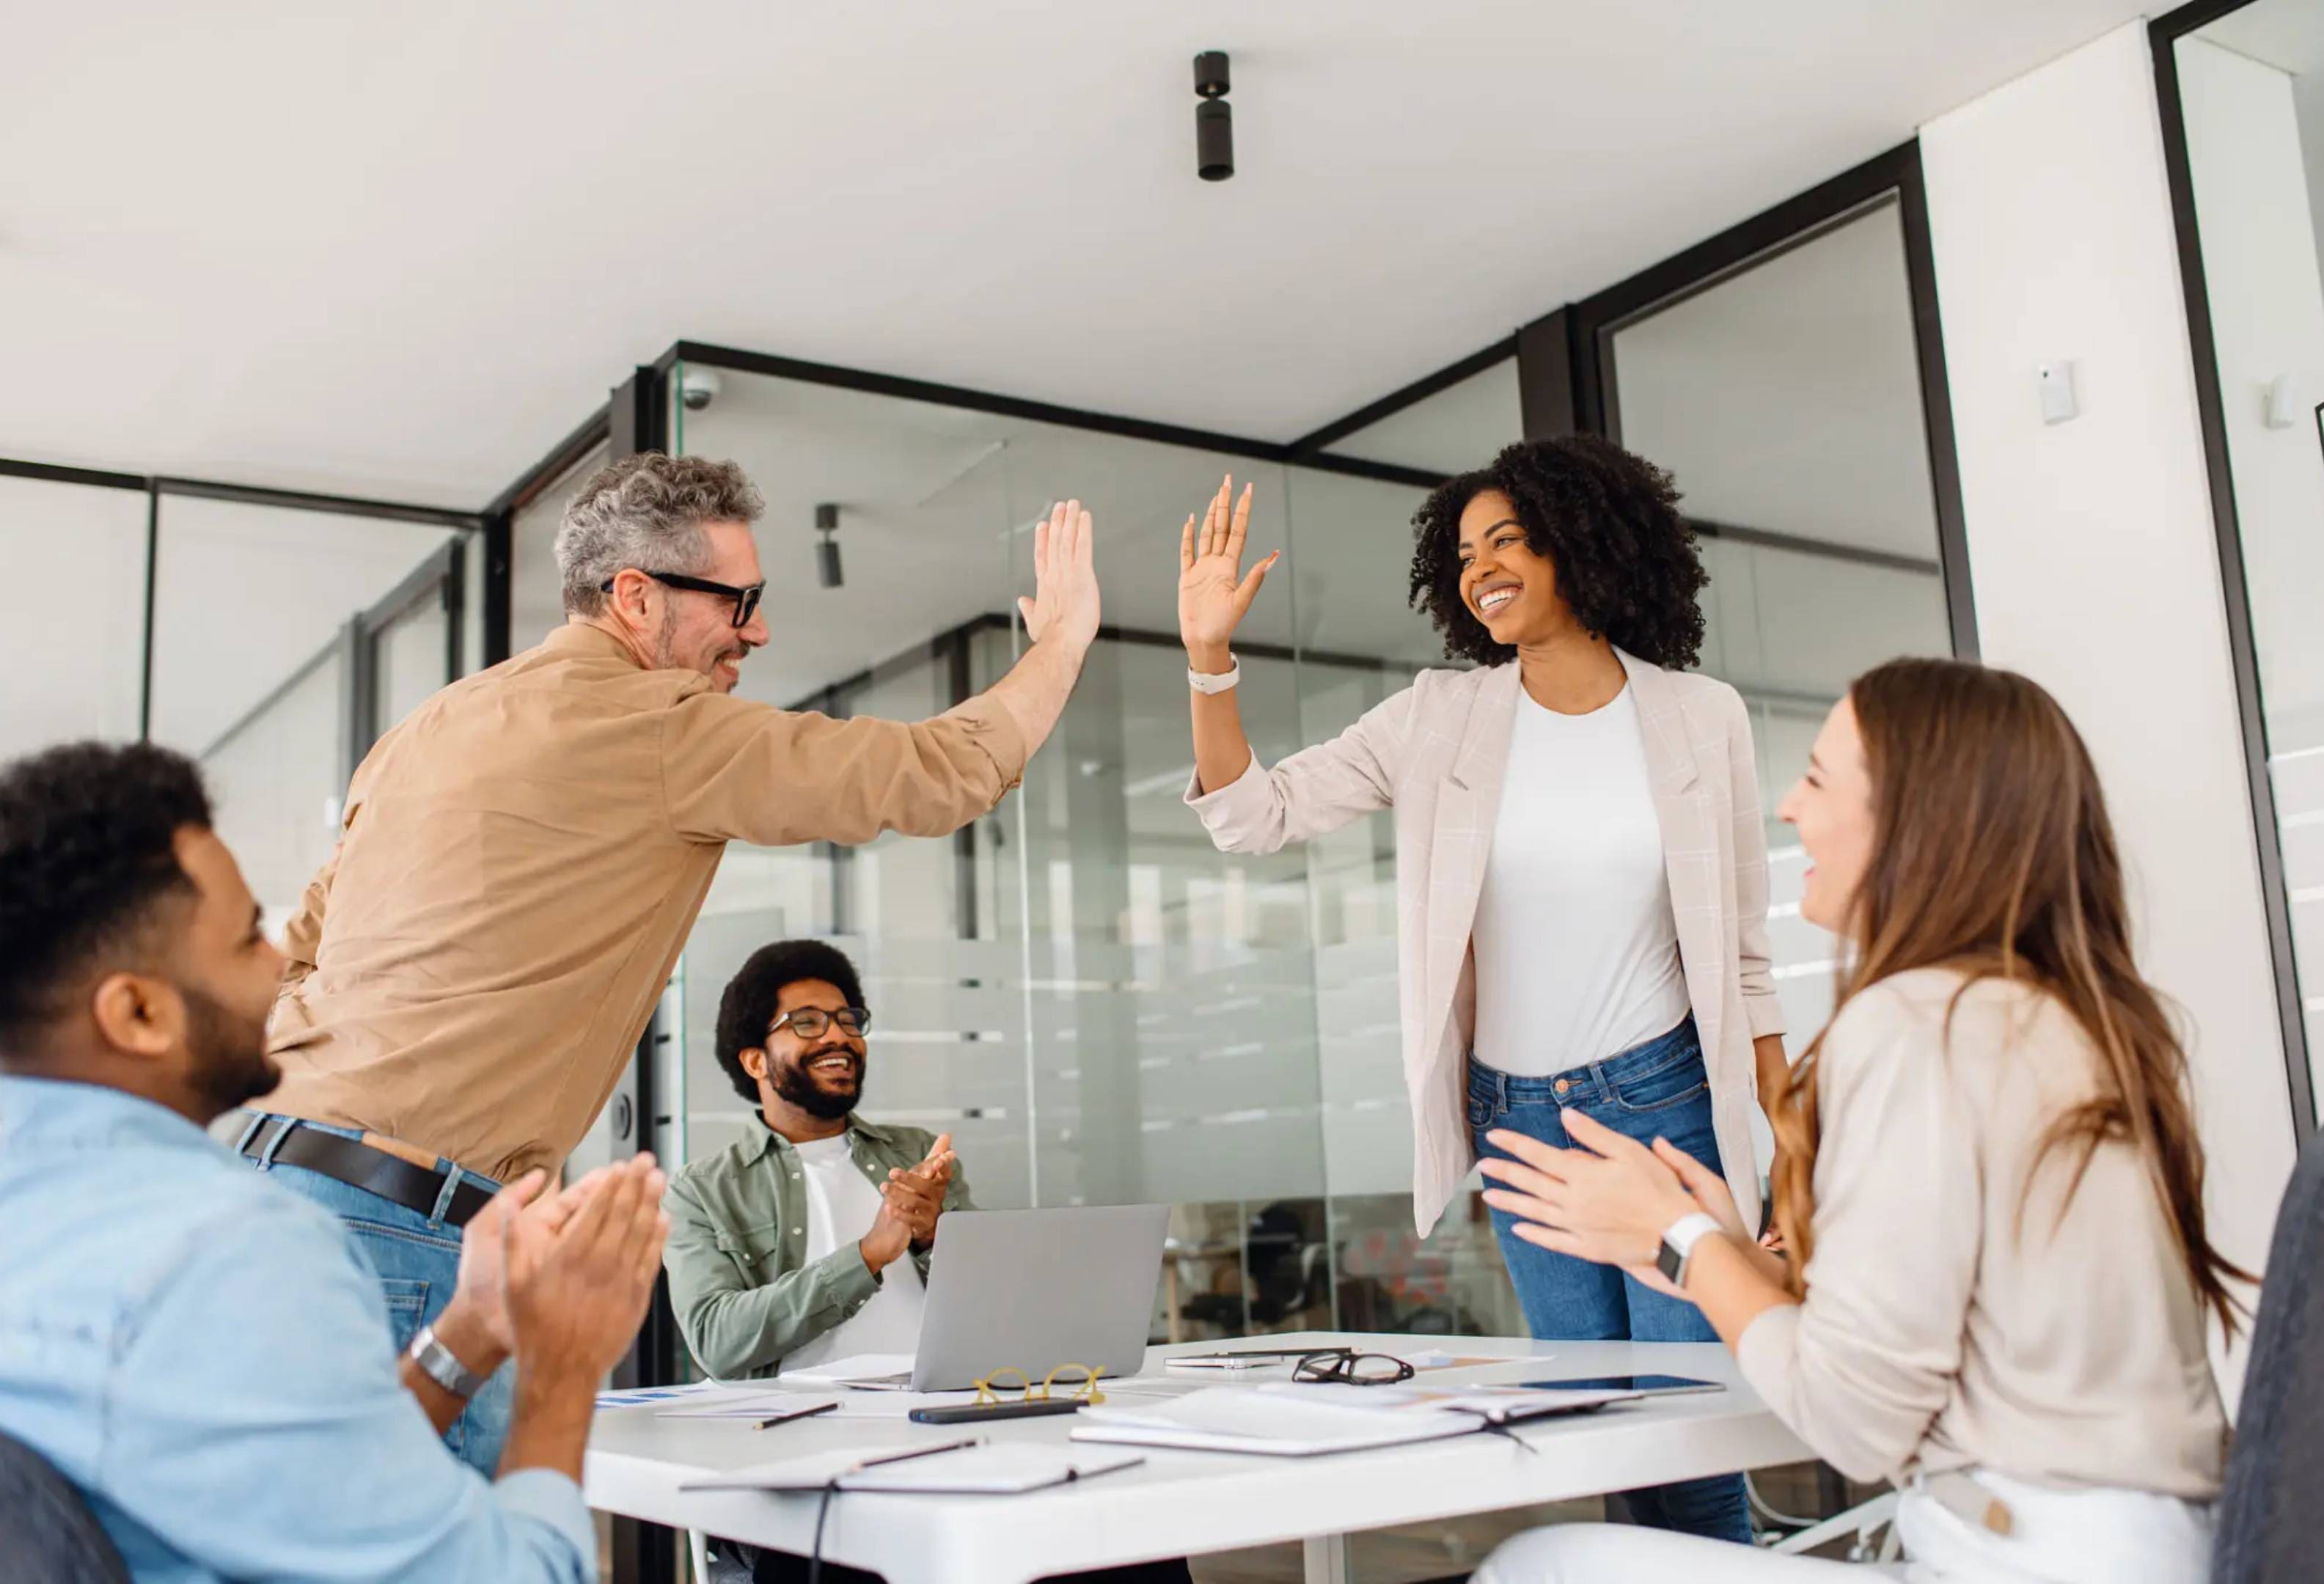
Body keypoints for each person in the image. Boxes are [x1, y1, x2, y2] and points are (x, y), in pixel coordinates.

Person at [241, 452, 1101, 1473]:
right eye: (738, 600)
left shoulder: (429, 726)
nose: (759, 629)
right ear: (636, 597)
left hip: (269, 1188)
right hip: (403, 1236)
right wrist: (1062, 640)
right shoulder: (655, 727)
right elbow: (936, 775)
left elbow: (297, 951)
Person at [1472, 659, 2240, 1583]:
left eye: (1818, 778)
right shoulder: (2059, 1022)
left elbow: (1854, 1423)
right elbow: (1933, 1322)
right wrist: (1732, 1251)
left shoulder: (1917, 1023)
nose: (1789, 809)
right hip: (2146, 1547)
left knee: (1543, 1567)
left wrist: (1678, 1241)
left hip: (2022, 1556)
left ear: (1916, 823)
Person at [1176, 438, 1785, 1542]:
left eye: (1506, 539)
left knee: (1694, 1437)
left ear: (1586, 542)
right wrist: (1208, 660)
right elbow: (1252, 816)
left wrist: (1790, 1156)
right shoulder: (1437, 717)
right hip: (1519, 1128)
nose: (1479, 567)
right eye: (1463, 552)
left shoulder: (1704, 717)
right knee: (1602, 1432)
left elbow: (1745, 954)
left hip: (1664, 1109)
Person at [0, 741, 670, 1583]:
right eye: (248, 938)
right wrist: (563, 1364)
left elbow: (287, 1487)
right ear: (138, 1013)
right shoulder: (229, 1247)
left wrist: (471, 1331)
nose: (282, 963)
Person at [663, 939, 969, 1383]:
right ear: (755, 1062)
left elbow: (992, 1303)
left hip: (937, 1407)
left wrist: (930, 1238)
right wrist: (867, 1256)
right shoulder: (702, 1190)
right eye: (806, 1022)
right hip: (793, 1429)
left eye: (849, 1021)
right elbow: (716, 1342)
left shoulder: (917, 1154)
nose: (838, 1036)